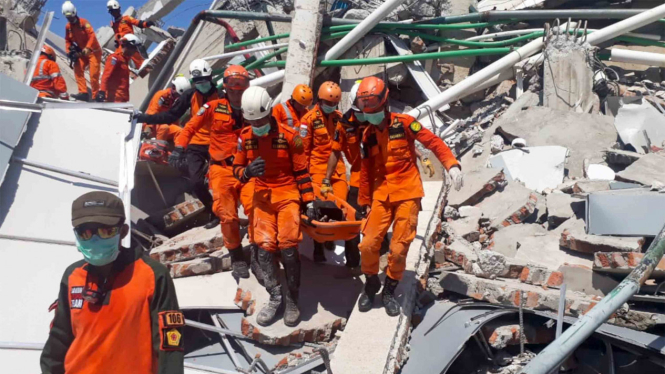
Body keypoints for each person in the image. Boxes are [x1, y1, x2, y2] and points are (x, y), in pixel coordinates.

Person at [40, 191, 183, 374]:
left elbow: (170, 347)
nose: (94, 239)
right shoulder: (72, 275)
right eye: (85, 233)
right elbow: (58, 339)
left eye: (106, 231)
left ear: (123, 231)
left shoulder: (153, 275)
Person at [355, 77, 463, 316]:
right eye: (366, 112)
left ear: (384, 105)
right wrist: (363, 202)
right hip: (382, 194)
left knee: (399, 247)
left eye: (373, 111)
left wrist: (451, 165)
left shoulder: (405, 124)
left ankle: (389, 291)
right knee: (368, 243)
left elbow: (433, 142)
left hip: (408, 192)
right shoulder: (368, 136)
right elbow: (366, 172)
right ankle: (371, 282)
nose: (370, 116)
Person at [233, 86, 315, 327]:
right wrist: (246, 172)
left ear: (269, 113)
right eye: (252, 120)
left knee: (289, 249)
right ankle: (275, 295)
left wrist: (308, 201)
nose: (257, 124)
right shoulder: (245, 138)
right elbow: (236, 169)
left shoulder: (291, 136)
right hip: (262, 196)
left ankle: (292, 300)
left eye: (260, 119)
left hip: (288, 193)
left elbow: (301, 171)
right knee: (264, 250)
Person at [170, 65, 256, 280]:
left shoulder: (254, 109)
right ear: (225, 89)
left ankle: (259, 252)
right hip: (222, 170)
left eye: (241, 90)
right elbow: (189, 127)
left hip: (248, 170)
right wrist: (180, 146)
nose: (237, 94)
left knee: (257, 208)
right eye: (233, 90)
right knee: (227, 216)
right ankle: (236, 256)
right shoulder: (212, 107)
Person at [135, 59, 221, 229]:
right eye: (197, 82)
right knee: (196, 182)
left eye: (203, 81)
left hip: (217, 142)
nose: (200, 85)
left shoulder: (222, 96)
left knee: (220, 180)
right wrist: (145, 118)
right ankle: (212, 210)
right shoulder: (190, 96)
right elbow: (169, 115)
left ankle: (221, 212)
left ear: (210, 77)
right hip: (196, 143)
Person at [320, 81, 365, 274]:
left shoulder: (383, 119)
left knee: (377, 222)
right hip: (357, 178)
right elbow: (335, 151)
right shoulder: (344, 123)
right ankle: (353, 263)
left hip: (380, 178)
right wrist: (326, 179)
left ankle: (381, 252)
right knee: (352, 221)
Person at [300, 81, 345, 262]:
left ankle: (330, 237)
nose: (331, 107)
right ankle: (318, 245)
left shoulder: (339, 118)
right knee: (321, 207)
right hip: (317, 170)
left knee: (339, 206)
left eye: (334, 104)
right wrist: (305, 177)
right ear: (319, 100)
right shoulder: (308, 120)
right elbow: (303, 151)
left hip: (338, 170)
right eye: (328, 103)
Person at [62, 1, 101, 102]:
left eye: (70, 16)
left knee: (93, 75)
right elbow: (67, 40)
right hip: (82, 53)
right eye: (67, 17)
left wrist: (88, 47)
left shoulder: (84, 22)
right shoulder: (68, 27)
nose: (69, 19)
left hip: (93, 52)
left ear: (74, 13)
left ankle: (96, 96)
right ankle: (83, 92)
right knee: (77, 68)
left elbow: (92, 35)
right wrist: (69, 52)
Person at [106, 0, 154, 70]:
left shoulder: (126, 18)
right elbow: (117, 35)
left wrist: (146, 24)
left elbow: (137, 23)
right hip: (122, 48)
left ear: (119, 9)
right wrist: (117, 42)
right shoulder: (114, 25)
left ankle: (148, 71)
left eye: (115, 10)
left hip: (131, 45)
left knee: (142, 64)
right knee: (117, 62)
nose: (114, 13)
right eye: (112, 11)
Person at [143, 76, 191, 142]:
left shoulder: (177, 101)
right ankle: (158, 149)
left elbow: (174, 117)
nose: (179, 97)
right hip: (153, 125)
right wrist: (149, 128)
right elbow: (153, 112)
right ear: (173, 88)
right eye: (178, 95)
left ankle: (178, 150)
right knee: (164, 127)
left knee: (181, 131)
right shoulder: (161, 95)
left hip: (167, 126)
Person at [97, 34, 140, 103]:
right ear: (128, 46)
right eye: (134, 49)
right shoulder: (115, 58)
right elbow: (106, 75)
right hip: (113, 99)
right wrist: (102, 91)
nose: (134, 52)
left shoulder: (125, 61)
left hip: (121, 100)